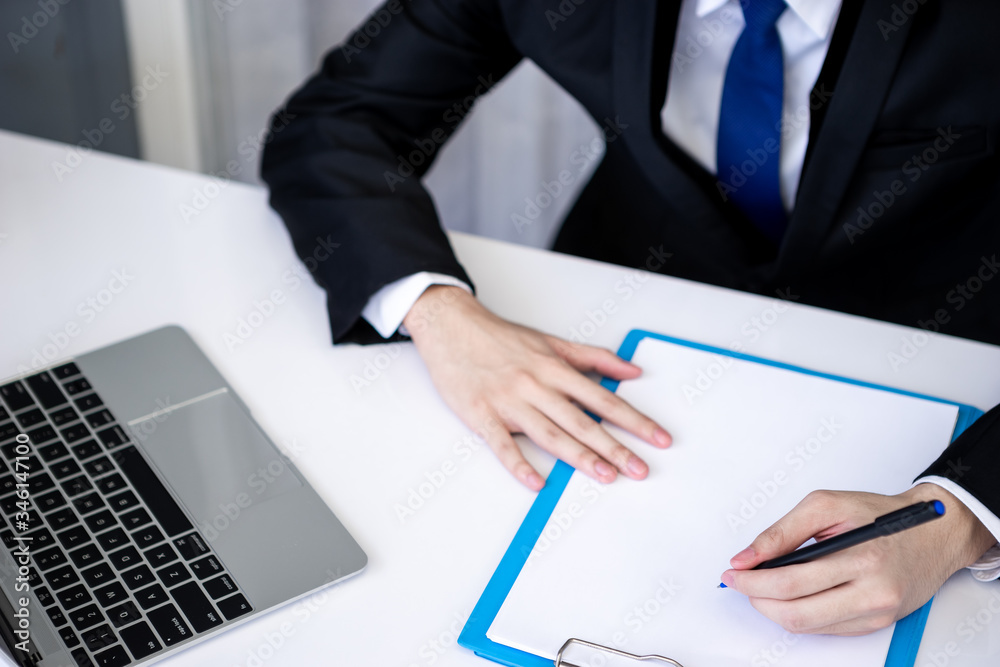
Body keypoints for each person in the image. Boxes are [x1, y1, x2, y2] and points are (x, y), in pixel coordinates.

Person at [261, 0, 1000, 637]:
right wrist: (437, 308)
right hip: (623, 314)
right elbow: (335, 123)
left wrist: (965, 513)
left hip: (936, 340)